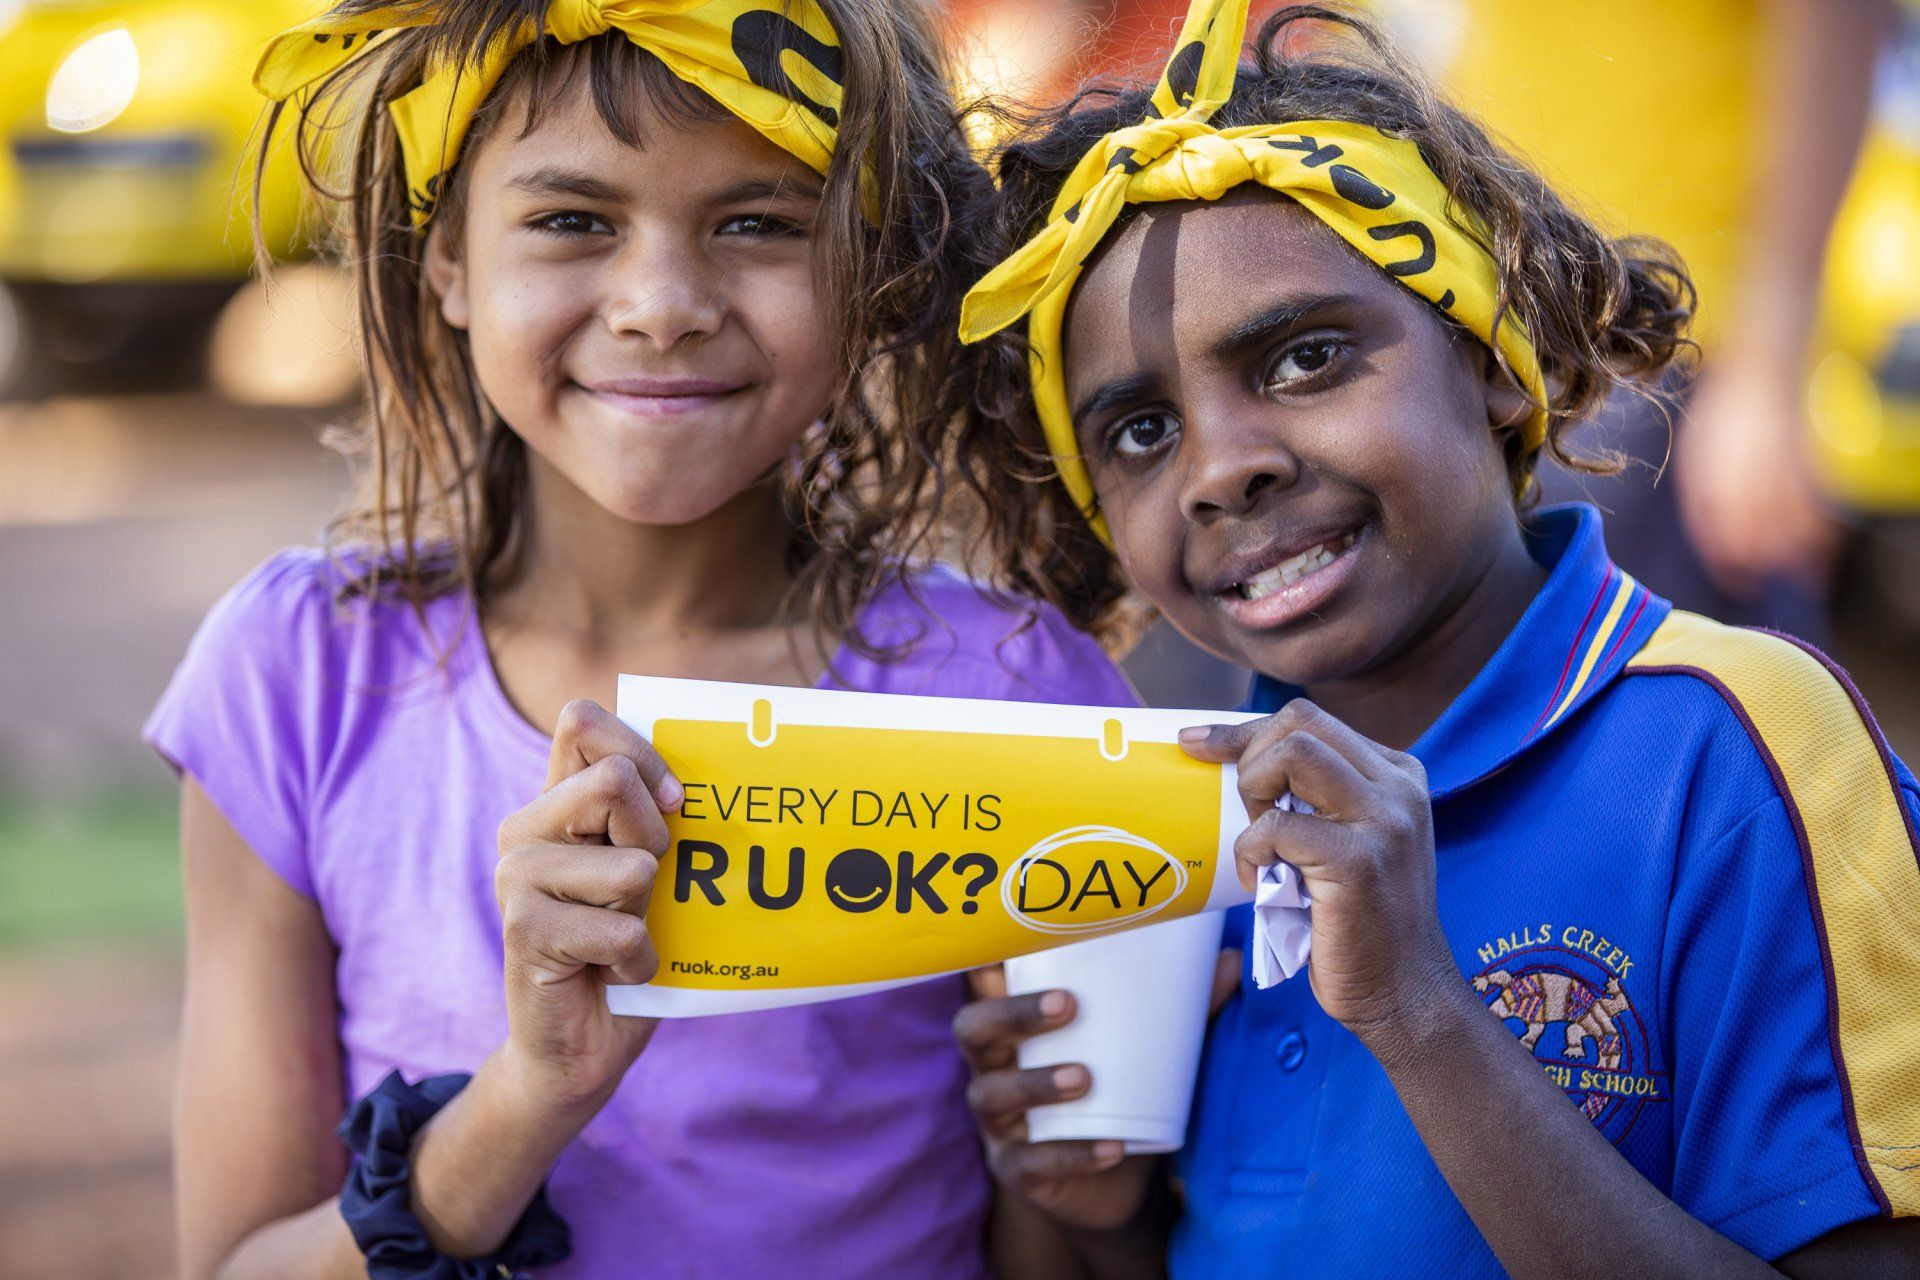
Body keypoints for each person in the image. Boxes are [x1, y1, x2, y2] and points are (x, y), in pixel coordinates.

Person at [144, 1, 1135, 1276]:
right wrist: (527, 1094)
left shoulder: (1018, 706)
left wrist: (1060, 1169)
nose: (662, 305)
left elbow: (1078, 1241)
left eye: (760, 224)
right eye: (572, 220)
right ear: (445, 255)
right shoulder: (296, 676)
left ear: (869, 266)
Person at [946, 1, 1920, 1275]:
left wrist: (1417, 1009)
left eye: (1303, 359)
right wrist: (1087, 1211)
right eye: (1138, 431)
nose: (1221, 469)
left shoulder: (1735, 746)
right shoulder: (1179, 831)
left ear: (1494, 353)